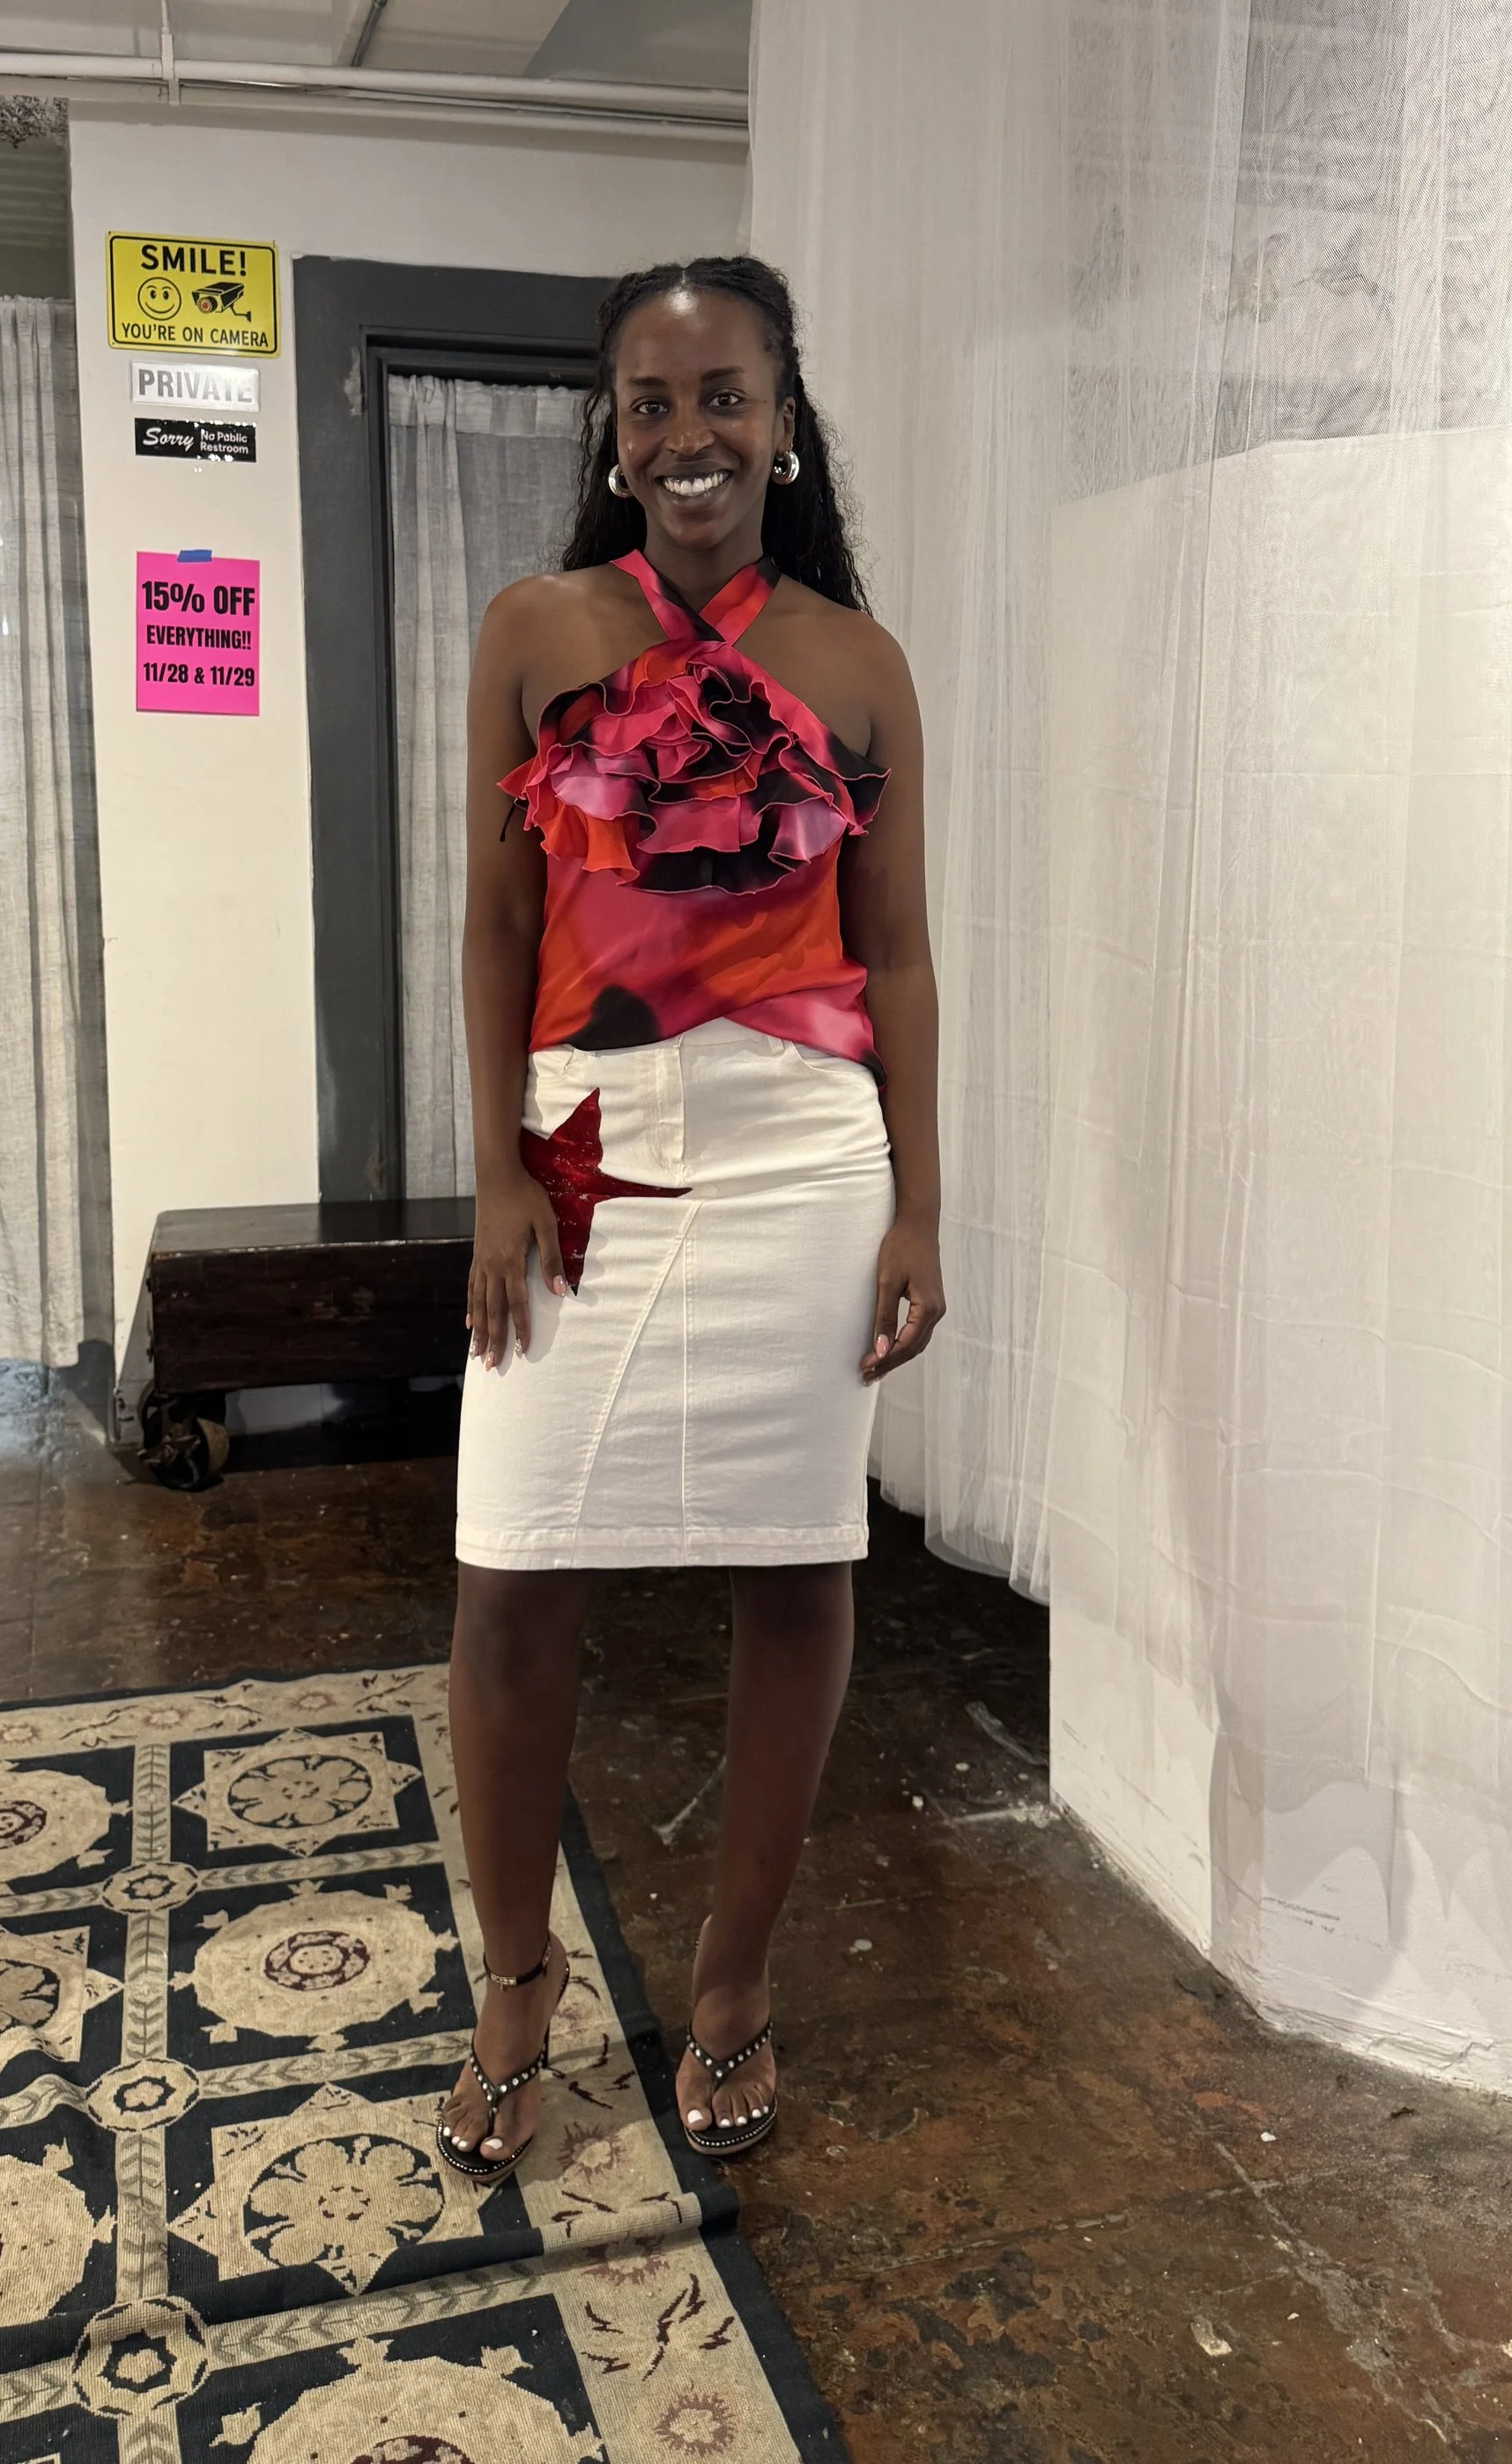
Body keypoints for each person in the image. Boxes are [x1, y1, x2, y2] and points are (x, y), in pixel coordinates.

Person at [437, 254, 944, 2181]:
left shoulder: (856, 661)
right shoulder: (531, 624)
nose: (686, 436)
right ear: (611, 431)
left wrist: (920, 1201)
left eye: (720, 394)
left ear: (784, 412)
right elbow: (493, 922)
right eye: (648, 404)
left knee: (793, 1574)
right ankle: (510, 1985)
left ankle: (728, 1988)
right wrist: (493, 1164)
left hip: (805, 1156)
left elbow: (893, 955)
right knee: (509, 1573)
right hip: (582, 1155)